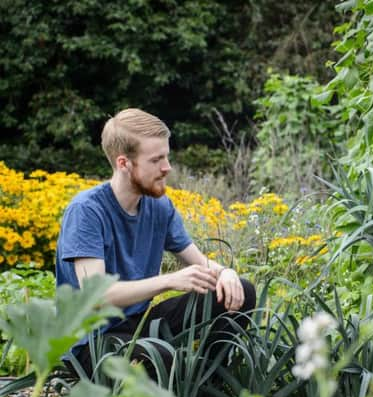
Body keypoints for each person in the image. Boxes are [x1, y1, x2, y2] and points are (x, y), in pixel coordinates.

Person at [55, 108, 255, 382]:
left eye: (167, 156)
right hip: (91, 342)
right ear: (124, 163)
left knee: (240, 291)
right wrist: (169, 281)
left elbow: (199, 261)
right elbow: (97, 297)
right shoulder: (87, 211)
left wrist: (225, 273)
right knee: (161, 358)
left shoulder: (159, 207)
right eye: (156, 159)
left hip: (135, 326)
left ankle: (209, 386)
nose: (167, 167)